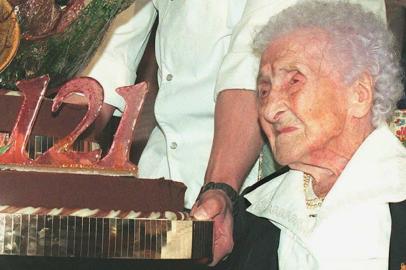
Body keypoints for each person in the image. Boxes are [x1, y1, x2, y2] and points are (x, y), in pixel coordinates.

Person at [81, 0, 386, 265]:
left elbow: (255, 66)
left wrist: (221, 189)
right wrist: (51, 160)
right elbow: (106, 53)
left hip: (257, 187)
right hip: (165, 183)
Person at [221, 1, 406, 269]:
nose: (270, 109)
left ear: (359, 93)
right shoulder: (251, 212)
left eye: (294, 82)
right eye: (263, 91)